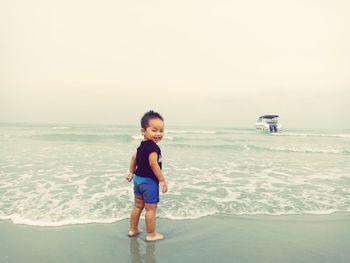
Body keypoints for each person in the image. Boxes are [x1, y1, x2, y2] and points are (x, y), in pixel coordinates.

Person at [126, 110, 168, 241]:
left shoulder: (142, 146)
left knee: (138, 205)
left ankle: (133, 229)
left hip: (138, 180)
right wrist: (162, 180)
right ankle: (151, 234)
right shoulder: (154, 148)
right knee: (151, 208)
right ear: (143, 130)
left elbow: (134, 157)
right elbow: (153, 164)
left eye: (161, 131)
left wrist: (131, 172)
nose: (158, 134)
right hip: (149, 182)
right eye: (154, 130)